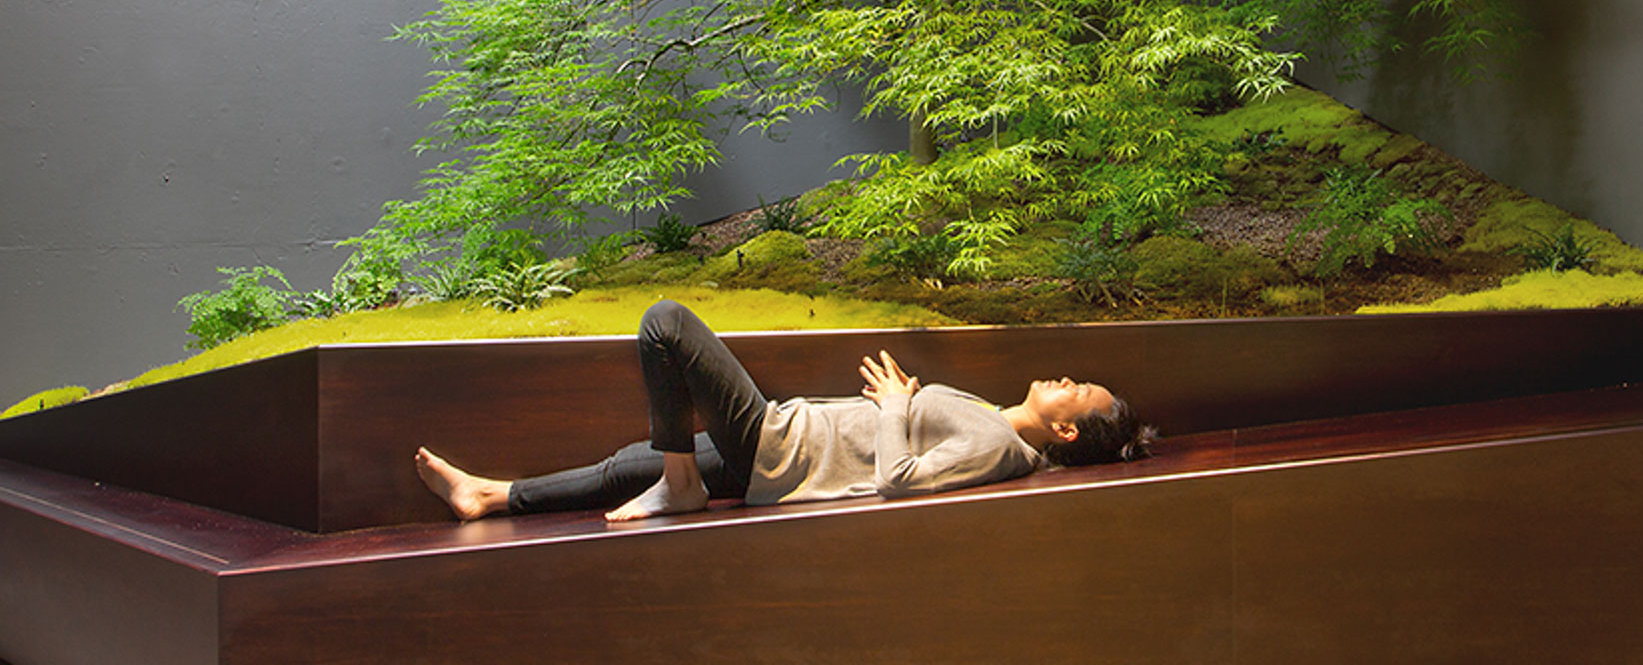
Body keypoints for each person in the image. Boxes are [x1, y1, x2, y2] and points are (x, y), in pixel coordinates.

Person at [416, 299, 1154, 522]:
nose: (1065, 378)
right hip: (780, 454)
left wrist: (898, 404)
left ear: (1065, 429)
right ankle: (493, 496)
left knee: (666, 325)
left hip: (777, 444)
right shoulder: (994, 423)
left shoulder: (997, 446)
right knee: (627, 467)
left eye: (1076, 389)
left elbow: (899, 481)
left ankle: (681, 486)